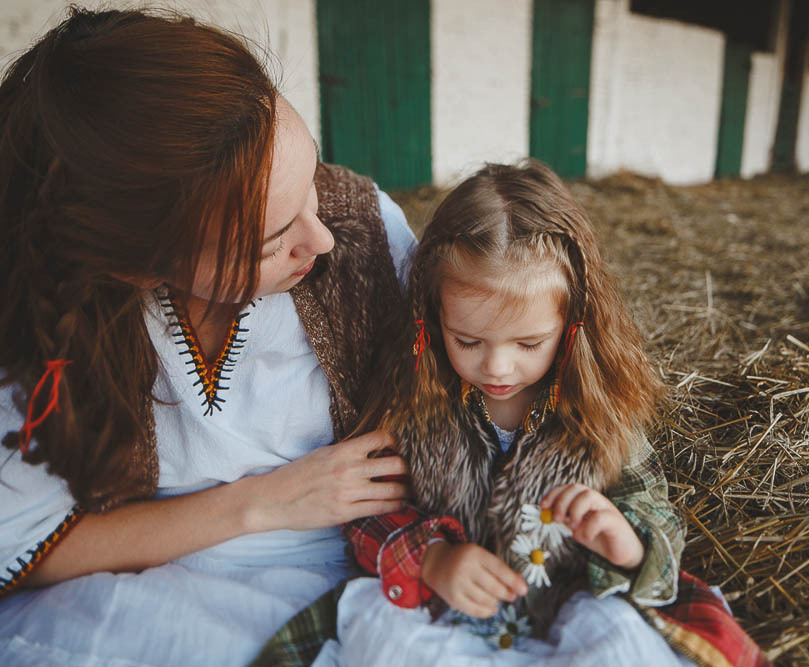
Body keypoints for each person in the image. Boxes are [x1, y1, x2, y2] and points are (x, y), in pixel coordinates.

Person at [0, 8, 414, 665]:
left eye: (310, 184)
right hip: (140, 589)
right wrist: (258, 504)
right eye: (274, 238)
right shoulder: (43, 318)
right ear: (135, 264)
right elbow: (25, 544)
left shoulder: (363, 227)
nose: (323, 236)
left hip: (359, 565)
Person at [257, 162, 769, 666]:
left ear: (572, 326)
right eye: (468, 340)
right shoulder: (412, 403)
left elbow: (653, 508)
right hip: (445, 606)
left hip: (565, 603)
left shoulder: (597, 414)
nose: (498, 366)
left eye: (529, 342)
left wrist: (626, 542)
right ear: (432, 320)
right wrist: (432, 559)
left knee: (620, 646)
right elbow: (369, 509)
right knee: (388, 644)